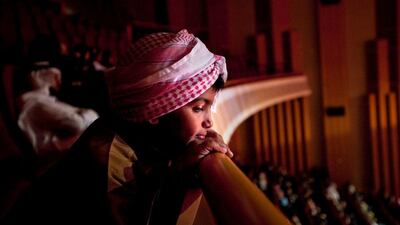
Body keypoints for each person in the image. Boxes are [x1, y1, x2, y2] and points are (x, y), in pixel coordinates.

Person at [4, 29, 233, 225]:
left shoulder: (136, 134)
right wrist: (177, 169)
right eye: (198, 108)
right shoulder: (108, 157)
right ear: (155, 111)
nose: (209, 121)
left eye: (208, 107)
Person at [17, 66, 99, 160]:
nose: (59, 82)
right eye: (56, 78)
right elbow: (77, 124)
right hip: (41, 150)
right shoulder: (39, 103)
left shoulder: (41, 99)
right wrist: (90, 113)